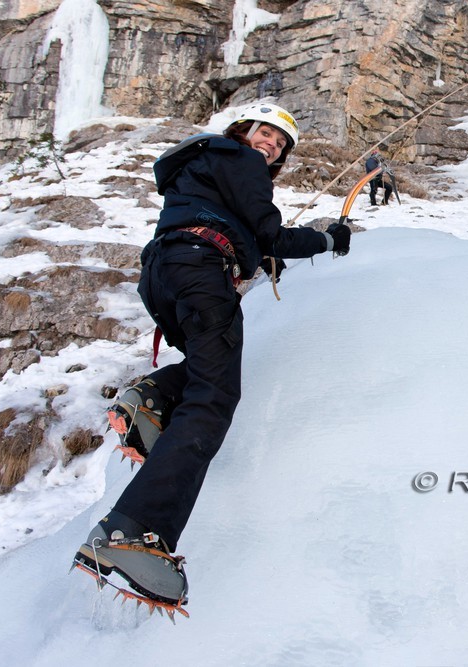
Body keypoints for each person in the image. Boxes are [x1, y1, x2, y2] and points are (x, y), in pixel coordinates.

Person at [77, 103, 352, 610]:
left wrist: (256, 252)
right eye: (266, 133)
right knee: (215, 394)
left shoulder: (202, 165)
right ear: (243, 129)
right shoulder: (240, 160)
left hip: (165, 272)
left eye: (280, 144)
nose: (270, 145)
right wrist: (330, 238)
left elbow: (251, 237)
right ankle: (133, 532)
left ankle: (149, 401)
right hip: (203, 271)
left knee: (207, 371)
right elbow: (272, 234)